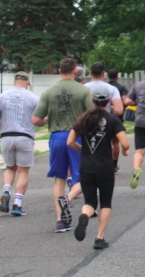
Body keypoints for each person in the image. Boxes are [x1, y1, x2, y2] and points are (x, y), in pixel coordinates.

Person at [32, 58, 94, 233]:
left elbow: (35, 119)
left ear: (59, 71)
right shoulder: (83, 91)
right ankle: (67, 199)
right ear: (75, 71)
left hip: (57, 137)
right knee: (83, 176)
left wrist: (48, 120)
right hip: (77, 136)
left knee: (59, 178)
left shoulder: (49, 92)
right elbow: (92, 115)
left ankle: (60, 221)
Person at [67, 86, 130, 250]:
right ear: (108, 101)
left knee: (90, 201)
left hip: (86, 166)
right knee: (106, 202)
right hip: (105, 167)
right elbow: (124, 142)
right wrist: (124, 151)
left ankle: (84, 215)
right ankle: (99, 237)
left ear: (93, 101)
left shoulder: (83, 119)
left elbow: (70, 142)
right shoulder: (113, 120)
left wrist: (82, 149)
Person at [0, 71, 39, 216]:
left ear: (14, 81)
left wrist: (2, 124)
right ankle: (17, 203)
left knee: (10, 168)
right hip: (25, 137)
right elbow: (38, 120)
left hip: (6, 136)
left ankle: (6, 190)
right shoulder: (34, 98)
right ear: (27, 82)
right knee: (23, 171)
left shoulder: (2, 96)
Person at [85, 62, 124, 172]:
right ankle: (110, 166)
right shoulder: (111, 89)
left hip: (88, 121)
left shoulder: (84, 88)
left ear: (90, 73)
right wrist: (110, 107)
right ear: (104, 74)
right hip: (105, 122)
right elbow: (119, 110)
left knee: (90, 145)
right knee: (108, 145)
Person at [107, 67, 129, 170]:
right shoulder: (121, 88)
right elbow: (125, 101)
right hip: (117, 118)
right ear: (117, 76)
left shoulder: (105, 87)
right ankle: (114, 164)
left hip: (105, 117)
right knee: (115, 143)